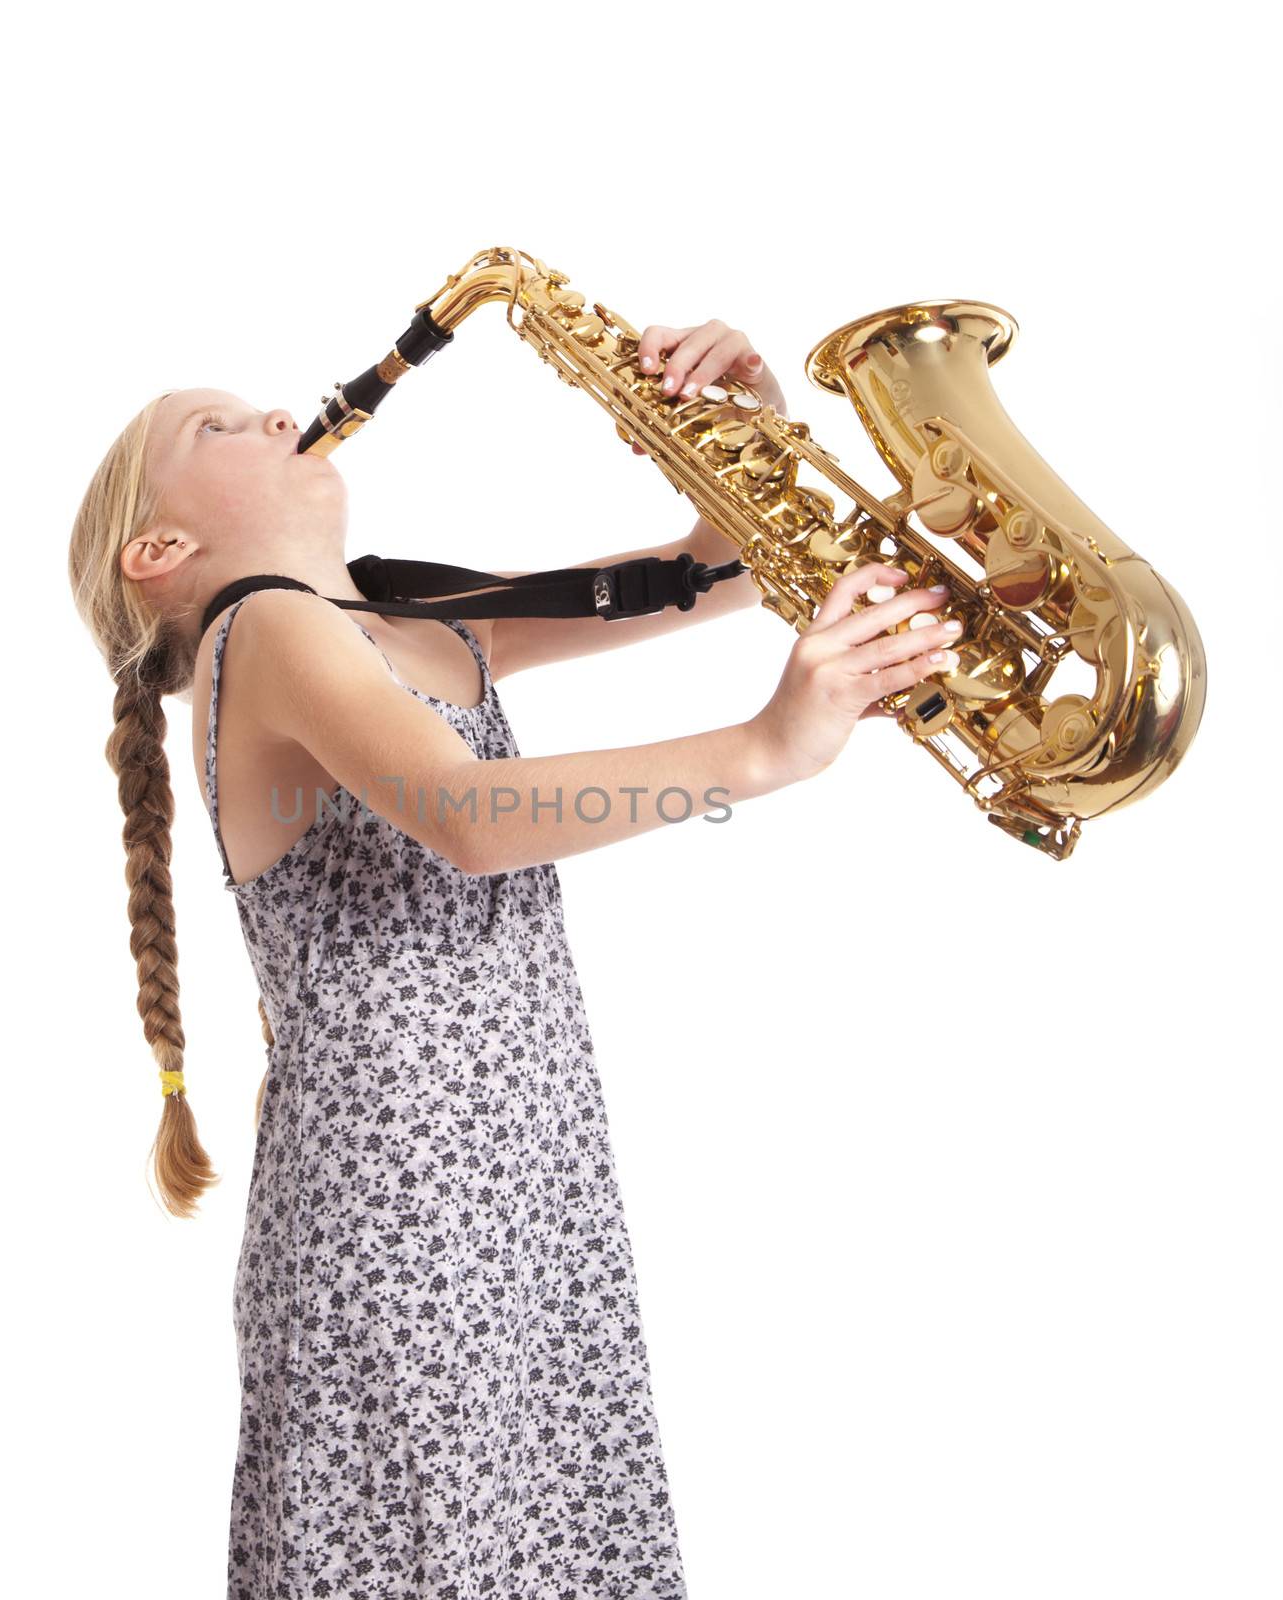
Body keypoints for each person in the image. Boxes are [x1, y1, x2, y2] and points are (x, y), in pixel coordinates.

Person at [67, 317, 960, 1598]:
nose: (277, 415)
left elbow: (720, 571)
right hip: (400, 1215)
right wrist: (765, 749)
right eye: (216, 426)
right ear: (162, 553)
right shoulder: (258, 628)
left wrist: (746, 429)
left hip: (521, 1187)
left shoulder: (413, 622)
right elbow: (473, 817)